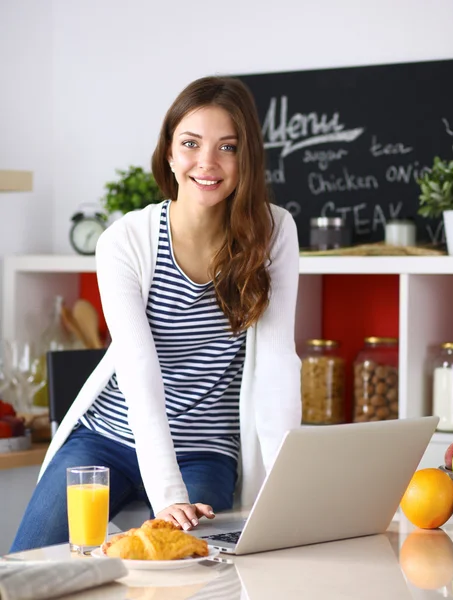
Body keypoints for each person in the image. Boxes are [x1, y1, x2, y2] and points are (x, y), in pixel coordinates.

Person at [10, 75, 301, 552]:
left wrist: (289, 488)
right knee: (28, 565)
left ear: (246, 157)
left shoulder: (273, 233)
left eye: (227, 147)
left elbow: (276, 365)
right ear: (168, 151)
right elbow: (138, 369)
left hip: (205, 452)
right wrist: (166, 493)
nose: (207, 162)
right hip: (107, 438)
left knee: (191, 570)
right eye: (191, 143)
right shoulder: (125, 240)